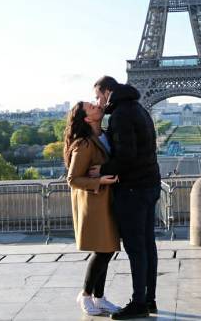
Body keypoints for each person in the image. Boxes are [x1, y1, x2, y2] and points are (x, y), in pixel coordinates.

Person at [93, 76, 162, 320]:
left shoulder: (121, 114)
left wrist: (100, 170)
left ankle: (138, 303)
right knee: (147, 246)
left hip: (133, 189)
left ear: (108, 91)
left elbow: (126, 156)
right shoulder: (139, 108)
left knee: (135, 248)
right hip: (151, 184)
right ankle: (149, 298)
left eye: (98, 96)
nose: (98, 102)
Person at [64, 101, 122, 317]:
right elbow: (72, 179)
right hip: (95, 203)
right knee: (103, 250)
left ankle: (99, 297)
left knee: (107, 249)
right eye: (92, 107)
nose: (99, 106)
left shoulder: (105, 136)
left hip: (107, 200)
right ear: (87, 119)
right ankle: (86, 295)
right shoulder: (84, 144)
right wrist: (102, 181)